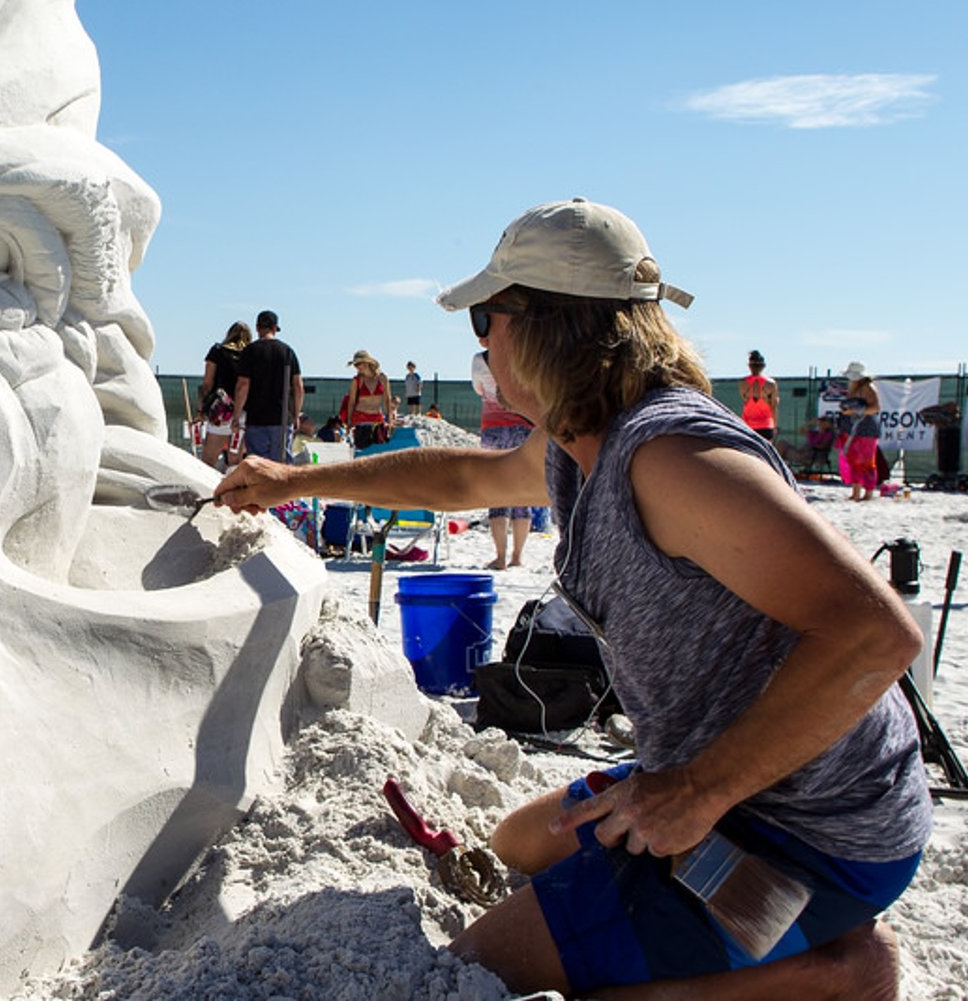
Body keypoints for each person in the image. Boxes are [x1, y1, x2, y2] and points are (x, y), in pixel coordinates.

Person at [218, 198, 929, 998]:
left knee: (483, 973)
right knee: (518, 841)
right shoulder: (577, 440)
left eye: (489, 316)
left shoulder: (672, 459)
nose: (481, 341)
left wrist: (701, 790)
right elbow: (462, 475)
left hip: (810, 821)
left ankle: (839, 973)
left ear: (553, 327)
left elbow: (876, 634)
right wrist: (296, 480)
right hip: (712, 771)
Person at [475, 350, 536, 570]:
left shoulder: (481, 360)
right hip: (524, 426)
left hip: (494, 427)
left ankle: (500, 557)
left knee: (496, 490)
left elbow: (478, 388)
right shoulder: (527, 356)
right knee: (522, 492)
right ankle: (517, 556)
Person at [232, 310, 303, 464]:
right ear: (274, 328)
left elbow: (242, 386)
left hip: (257, 418)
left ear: (257, 328)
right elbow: (298, 387)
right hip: (282, 418)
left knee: (258, 466)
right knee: (282, 467)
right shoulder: (287, 352)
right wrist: (296, 415)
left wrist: (236, 415)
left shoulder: (249, 351)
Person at [196, 322, 251, 469]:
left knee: (208, 460)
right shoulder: (251, 354)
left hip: (221, 411)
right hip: (244, 412)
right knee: (235, 462)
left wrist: (200, 410)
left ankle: (207, 490)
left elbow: (207, 383)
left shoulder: (217, 351)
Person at [840, 365, 883, 502]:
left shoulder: (868, 388)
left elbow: (875, 408)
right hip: (855, 427)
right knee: (854, 460)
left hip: (866, 428)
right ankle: (856, 492)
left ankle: (868, 493)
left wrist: (854, 411)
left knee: (866, 462)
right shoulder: (855, 388)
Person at [344, 349, 393, 449]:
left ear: (367, 362)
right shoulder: (357, 380)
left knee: (380, 451)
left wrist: (390, 420)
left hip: (377, 419)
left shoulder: (382, 378)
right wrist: (349, 422)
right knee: (362, 451)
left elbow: (387, 400)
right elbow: (351, 403)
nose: (356, 367)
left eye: (358, 364)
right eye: (355, 365)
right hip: (360, 418)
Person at [740, 349, 780, 441]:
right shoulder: (771, 384)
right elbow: (773, 406)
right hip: (766, 425)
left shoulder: (742, 383)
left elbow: (745, 401)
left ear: (749, 366)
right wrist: (775, 426)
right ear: (763, 366)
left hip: (748, 426)